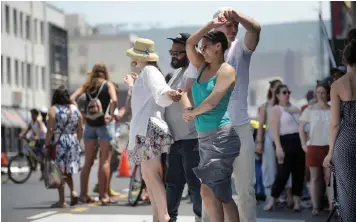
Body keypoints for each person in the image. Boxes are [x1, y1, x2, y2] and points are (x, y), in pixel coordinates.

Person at [185, 7, 261, 222]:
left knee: (244, 189)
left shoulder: (241, 48)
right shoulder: (203, 58)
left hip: (239, 127)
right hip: (209, 130)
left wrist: (237, 16)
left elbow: (255, 28)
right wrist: (189, 112)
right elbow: (189, 90)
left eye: (235, 24)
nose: (233, 27)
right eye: (228, 24)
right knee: (212, 191)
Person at [182, 23, 241, 221]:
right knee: (215, 194)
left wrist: (192, 113)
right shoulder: (201, 66)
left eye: (205, 46)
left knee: (213, 192)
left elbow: (213, 100)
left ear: (218, 46)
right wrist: (212, 24)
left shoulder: (226, 70)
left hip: (221, 137)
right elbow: (190, 43)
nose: (201, 51)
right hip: (205, 138)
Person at [125, 38, 181, 222]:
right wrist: (133, 86)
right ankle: (159, 217)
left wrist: (168, 94)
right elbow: (152, 95)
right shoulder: (147, 72)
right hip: (148, 128)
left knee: (151, 175)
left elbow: (160, 91)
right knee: (149, 176)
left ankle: (163, 216)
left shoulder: (149, 71)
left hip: (148, 128)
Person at [164, 33, 202, 222]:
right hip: (176, 140)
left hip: (193, 139)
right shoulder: (175, 74)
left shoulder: (195, 70)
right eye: (172, 52)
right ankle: (169, 219)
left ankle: (202, 219)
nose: (173, 56)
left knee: (195, 186)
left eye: (178, 52)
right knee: (173, 184)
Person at [70, 63, 118, 205]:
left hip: (90, 125)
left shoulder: (87, 85)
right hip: (104, 125)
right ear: (105, 72)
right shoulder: (108, 84)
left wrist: (82, 115)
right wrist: (109, 114)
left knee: (88, 162)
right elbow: (114, 100)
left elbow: (72, 98)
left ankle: (84, 195)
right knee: (105, 161)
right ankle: (103, 196)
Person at [323, 40, 356, 221]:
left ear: (346, 59)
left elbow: (335, 124)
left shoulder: (337, 85)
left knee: (348, 194)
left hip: (347, 140)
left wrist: (329, 153)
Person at [263, 84, 304, 212]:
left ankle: (297, 202)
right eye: (284, 92)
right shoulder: (276, 109)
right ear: (278, 95)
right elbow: (274, 130)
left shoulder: (295, 108)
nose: (287, 95)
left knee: (299, 173)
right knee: (283, 174)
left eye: (288, 92)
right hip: (285, 141)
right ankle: (272, 200)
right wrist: (278, 147)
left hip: (297, 141)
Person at [45, 86, 83, 208]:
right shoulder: (75, 109)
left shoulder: (53, 109)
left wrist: (47, 144)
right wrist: (77, 141)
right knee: (68, 170)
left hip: (59, 142)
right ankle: (73, 192)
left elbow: (50, 129)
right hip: (73, 141)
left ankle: (62, 201)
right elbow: (80, 128)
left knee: (60, 171)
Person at [299, 82, 332, 216]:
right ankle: (316, 206)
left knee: (329, 177)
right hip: (313, 145)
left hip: (329, 147)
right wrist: (303, 144)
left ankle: (331, 205)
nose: (320, 95)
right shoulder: (310, 109)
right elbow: (301, 127)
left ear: (328, 93)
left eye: (323, 92)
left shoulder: (332, 109)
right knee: (315, 177)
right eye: (318, 92)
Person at [255, 79, 282, 199]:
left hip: (283, 137)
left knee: (282, 166)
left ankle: (282, 194)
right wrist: (259, 142)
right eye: (277, 88)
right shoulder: (265, 106)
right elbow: (261, 125)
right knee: (269, 166)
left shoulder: (283, 105)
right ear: (271, 89)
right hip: (269, 137)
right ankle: (270, 194)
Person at [19, 108, 48, 180]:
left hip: (42, 139)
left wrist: (38, 136)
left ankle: (43, 172)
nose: (32, 116)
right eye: (31, 114)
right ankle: (32, 163)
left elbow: (41, 129)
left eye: (33, 114)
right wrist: (22, 134)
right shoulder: (31, 122)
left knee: (40, 156)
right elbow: (27, 129)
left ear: (36, 115)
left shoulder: (39, 121)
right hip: (36, 139)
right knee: (27, 147)